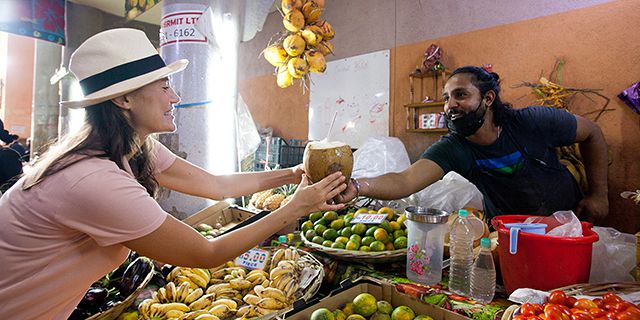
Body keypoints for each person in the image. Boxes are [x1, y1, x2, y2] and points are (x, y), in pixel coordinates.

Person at [0, 28, 347, 319]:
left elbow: (215, 185)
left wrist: (291, 174)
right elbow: (204, 254)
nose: (176, 97)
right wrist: (294, 208)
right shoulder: (93, 180)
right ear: (124, 100)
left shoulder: (132, 149)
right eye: (164, 87)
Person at [336, 66, 608, 222]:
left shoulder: (533, 122)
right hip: (511, 238)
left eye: (460, 95)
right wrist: (359, 186)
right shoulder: (455, 147)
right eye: (446, 98)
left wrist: (599, 194)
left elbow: (592, 133)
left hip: (567, 227)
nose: (450, 105)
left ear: (488, 99)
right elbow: (405, 180)